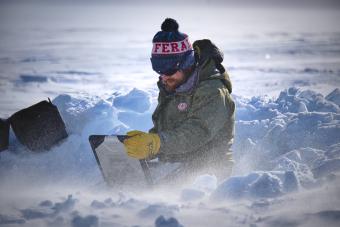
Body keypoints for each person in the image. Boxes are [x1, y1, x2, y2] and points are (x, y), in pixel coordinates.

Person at [123, 18, 235, 184]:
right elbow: (168, 130)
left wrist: (157, 143)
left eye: (169, 69)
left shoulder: (213, 91)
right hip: (175, 166)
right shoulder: (173, 85)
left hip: (209, 175)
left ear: (187, 63)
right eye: (158, 70)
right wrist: (145, 147)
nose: (164, 76)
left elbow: (196, 133)